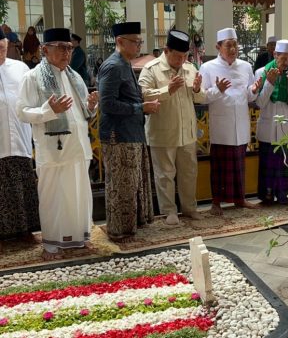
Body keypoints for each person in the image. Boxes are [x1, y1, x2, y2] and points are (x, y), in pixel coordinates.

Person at [16, 28, 98, 260]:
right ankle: (52, 244)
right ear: (45, 49)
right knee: (54, 196)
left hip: (78, 147)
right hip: (53, 150)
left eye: (69, 48)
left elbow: (83, 112)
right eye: (61, 47)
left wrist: (91, 106)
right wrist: (48, 110)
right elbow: (22, 111)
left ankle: (79, 239)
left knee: (79, 194)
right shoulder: (32, 77)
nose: (66, 52)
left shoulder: (75, 76)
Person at [97, 22, 157, 242]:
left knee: (132, 184)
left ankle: (131, 225)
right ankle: (120, 231)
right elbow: (107, 104)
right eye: (135, 41)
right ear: (120, 41)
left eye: (140, 41)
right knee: (121, 186)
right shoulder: (112, 66)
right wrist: (140, 108)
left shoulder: (125, 64)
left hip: (132, 133)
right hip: (118, 136)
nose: (139, 45)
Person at [138, 30, 206, 225]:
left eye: (185, 56)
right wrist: (168, 90)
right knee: (165, 174)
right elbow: (144, 95)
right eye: (177, 56)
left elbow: (201, 97)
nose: (181, 60)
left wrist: (197, 89)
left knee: (189, 172)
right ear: (166, 50)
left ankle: (189, 208)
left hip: (187, 132)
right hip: (162, 132)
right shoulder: (151, 69)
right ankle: (169, 211)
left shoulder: (189, 68)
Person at [199, 27, 262, 215]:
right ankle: (216, 202)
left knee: (239, 165)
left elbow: (249, 97)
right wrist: (217, 89)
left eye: (235, 45)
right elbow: (202, 97)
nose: (233, 49)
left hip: (241, 124)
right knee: (219, 167)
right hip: (221, 126)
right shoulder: (208, 67)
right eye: (228, 45)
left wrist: (255, 89)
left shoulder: (245, 66)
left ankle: (240, 199)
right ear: (218, 47)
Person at [0, 27, 40, 242]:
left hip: (20, 137)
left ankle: (26, 230)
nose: (2, 53)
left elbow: (31, 100)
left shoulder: (20, 68)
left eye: (4, 48)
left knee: (22, 183)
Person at [256, 39, 288, 204]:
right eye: (283, 58)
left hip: (287, 128)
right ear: (275, 55)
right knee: (268, 166)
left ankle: (285, 196)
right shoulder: (262, 72)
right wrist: (269, 82)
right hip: (268, 127)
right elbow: (260, 103)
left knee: (286, 165)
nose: (287, 62)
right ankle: (267, 196)